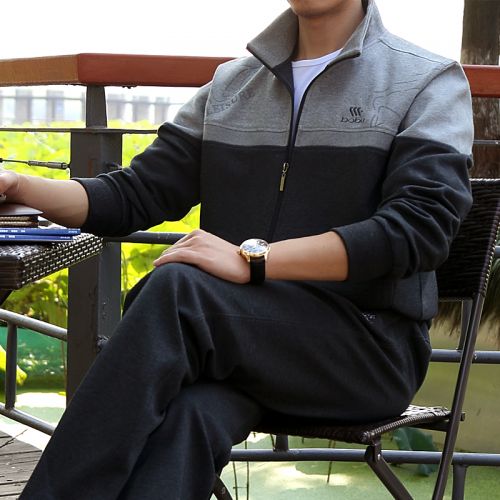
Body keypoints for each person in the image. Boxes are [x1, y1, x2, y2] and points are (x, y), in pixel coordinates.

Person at [2, 0, 473, 498]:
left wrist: (255, 260)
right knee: (192, 414)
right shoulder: (232, 85)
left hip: (366, 354)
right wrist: (18, 186)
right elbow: (133, 195)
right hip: (241, 347)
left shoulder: (425, 81)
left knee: (179, 290)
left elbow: (419, 229)